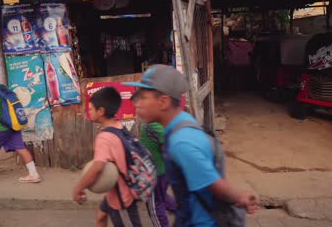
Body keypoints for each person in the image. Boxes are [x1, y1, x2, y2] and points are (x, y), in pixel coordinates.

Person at [125, 65, 259, 226]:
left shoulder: (181, 141)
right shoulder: (181, 122)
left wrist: (240, 197)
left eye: (143, 98)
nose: (137, 103)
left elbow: (214, 185)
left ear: (163, 102)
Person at [73, 87, 141, 227]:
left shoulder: (105, 137)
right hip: (115, 191)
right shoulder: (119, 127)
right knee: (101, 217)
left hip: (122, 198)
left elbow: (98, 168)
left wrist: (79, 188)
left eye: (91, 109)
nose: (89, 112)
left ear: (101, 111)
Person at [132, 91, 176, 227]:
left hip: (155, 173)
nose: (137, 111)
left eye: (140, 107)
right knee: (163, 198)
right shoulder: (153, 122)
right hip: (160, 171)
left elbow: (167, 147)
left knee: (155, 208)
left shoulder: (154, 125)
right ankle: (184, 213)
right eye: (137, 107)